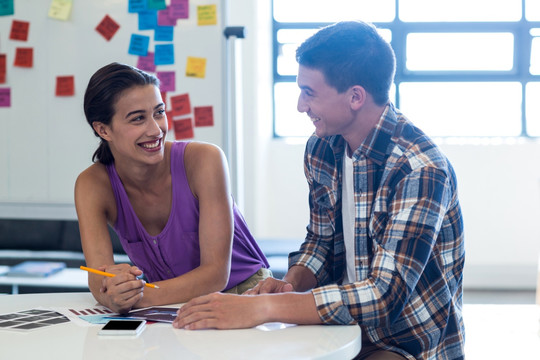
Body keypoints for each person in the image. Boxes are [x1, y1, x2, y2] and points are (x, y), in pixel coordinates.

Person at [172, 21, 465, 360]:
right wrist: (289, 285)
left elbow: (385, 296)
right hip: (342, 327)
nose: (300, 105)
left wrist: (268, 307)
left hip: (408, 341)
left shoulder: (420, 169)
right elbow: (322, 242)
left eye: (309, 92)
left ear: (355, 96)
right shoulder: (322, 148)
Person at [75, 62, 270, 314]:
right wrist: (113, 294)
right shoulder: (92, 185)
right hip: (169, 304)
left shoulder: (205, 160)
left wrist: (136, 297)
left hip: (244, 293)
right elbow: (97, 277)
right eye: (138, 119)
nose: (156, 130)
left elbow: (215, 275)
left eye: (159, 112)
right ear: (103, 129)